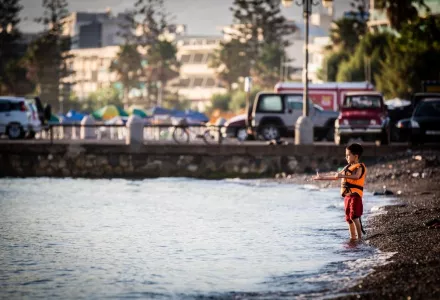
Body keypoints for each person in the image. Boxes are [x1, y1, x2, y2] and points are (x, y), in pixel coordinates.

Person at [312, 143, 367, 241]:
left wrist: (342, 176)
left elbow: (356, 176)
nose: (346, 157)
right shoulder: (347, 167)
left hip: (355, 196)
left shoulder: (360, 167)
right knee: (348, 218)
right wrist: (321, 178)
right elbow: (335, 176)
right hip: (347, 197)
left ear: (356, 156)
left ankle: (359, 238)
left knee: (354, 217)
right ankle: (352, 237)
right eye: (346, 155)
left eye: (348, 155)